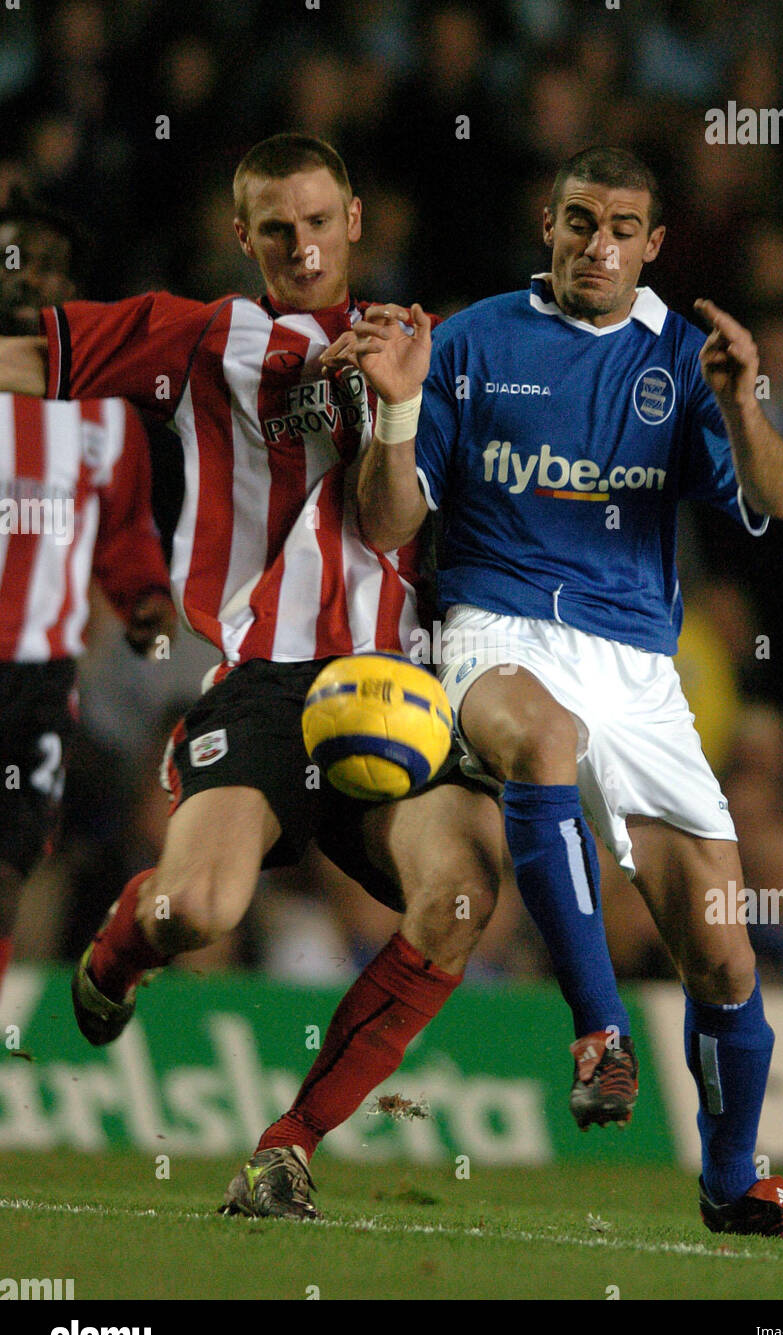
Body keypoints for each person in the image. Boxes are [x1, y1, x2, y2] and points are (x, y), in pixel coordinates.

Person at [0, 134, 503, 1221]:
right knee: (200, 905)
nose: (302, 246)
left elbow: (386, 518)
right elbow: (35, 355)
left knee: (461, 895)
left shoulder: (414, 347)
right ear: (243, 236)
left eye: (320, 222)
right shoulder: (201, 335)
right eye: (276, 228)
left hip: (393, 690)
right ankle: (120, 955)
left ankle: (289, 1145)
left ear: (355, 220)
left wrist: (397, 406)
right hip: (262, 683)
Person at [353, 145, 783, 1241]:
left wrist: (745, 402)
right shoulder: (471, 340)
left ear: (653, 245)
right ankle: (598, 1033)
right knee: (544, 736)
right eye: (579, 220)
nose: (597, 244)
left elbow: (777, 497)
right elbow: (388, 524)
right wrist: (394, 411)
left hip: (637, 666)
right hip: (494, 631)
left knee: (721, 948)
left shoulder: (681, 356)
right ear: (547, 222)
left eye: (621, 227)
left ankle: (731, 1182)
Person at [0, 192, 174, 997]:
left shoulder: (105, 409)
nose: (31, 278)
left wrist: (143, 599)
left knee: (8, 871)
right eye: (14, 259)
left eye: (49, 265)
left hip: (36, 681)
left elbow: (125, 532)